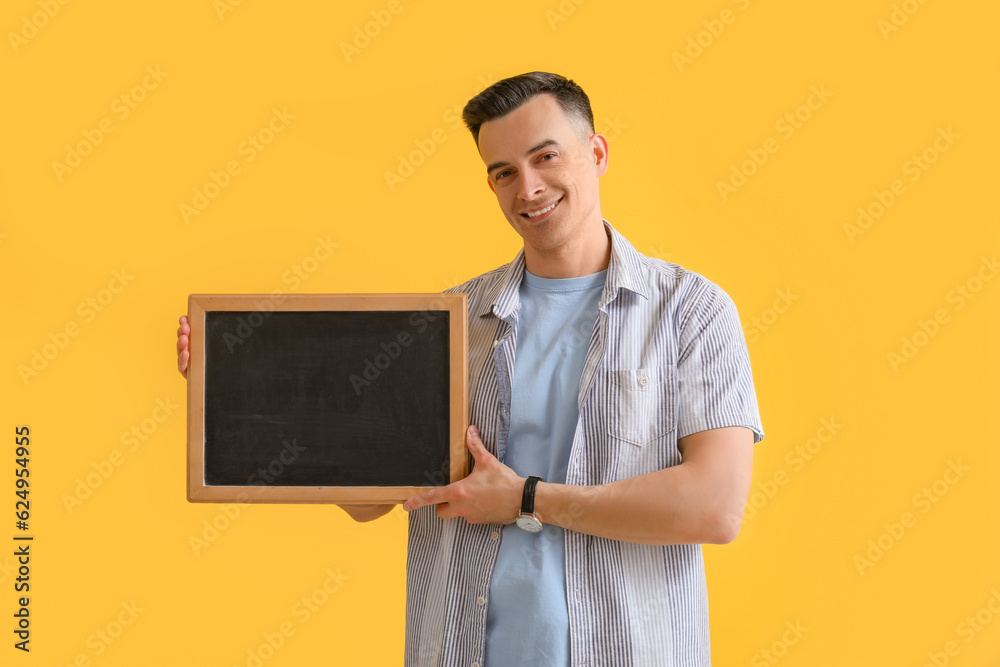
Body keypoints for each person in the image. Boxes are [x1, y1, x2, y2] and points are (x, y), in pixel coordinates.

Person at [177, 71, 764, 666]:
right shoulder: (447, 325)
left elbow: (714, 506)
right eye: (504, 172)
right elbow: (369, 499)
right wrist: (238, 382)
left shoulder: (691, 310)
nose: (528, 188)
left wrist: (526, 498)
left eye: (546, 156)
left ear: (597, 152)